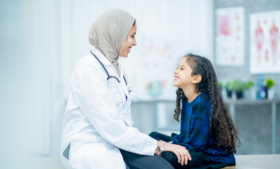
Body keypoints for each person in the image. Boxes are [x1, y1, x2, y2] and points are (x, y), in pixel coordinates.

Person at [60, 9, 190, 169]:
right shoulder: (88, 69)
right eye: (132, 36)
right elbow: (110, 126)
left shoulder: (118, 70)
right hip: (92, 145)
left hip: (119, 142)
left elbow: (125, 121)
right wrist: (159, 145)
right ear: (116, 34)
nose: (135, 43)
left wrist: (153, 145)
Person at [150, 53, 241, 169]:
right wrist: (169, 145)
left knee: (168, 155)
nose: (176, 71)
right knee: (152, 136)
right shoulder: (186, 99)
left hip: (206, 154)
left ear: (196, 78)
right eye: (178, 67)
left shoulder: (202, 102)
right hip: (193, 146)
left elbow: (197, 145)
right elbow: (185, 137)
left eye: (181, 69)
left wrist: (167, 146)